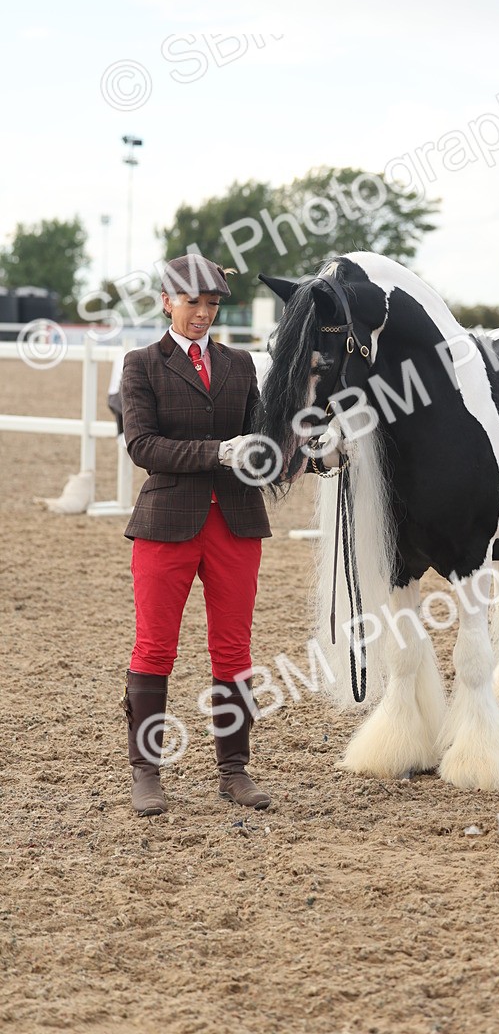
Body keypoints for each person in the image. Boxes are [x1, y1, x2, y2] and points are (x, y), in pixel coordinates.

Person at [120, 254, 272, 817]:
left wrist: (303, 455)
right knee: (155, 648)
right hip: (167, 524)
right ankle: (146, 772)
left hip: (235, 522)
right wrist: (216, 452)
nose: (202, 314)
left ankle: (234, 770)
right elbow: (142, 446)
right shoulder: (142, 364)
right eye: (192, 303)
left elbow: (259, 442)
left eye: (211, 305)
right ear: (167, 301)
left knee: (233, 649)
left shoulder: (240, 365)